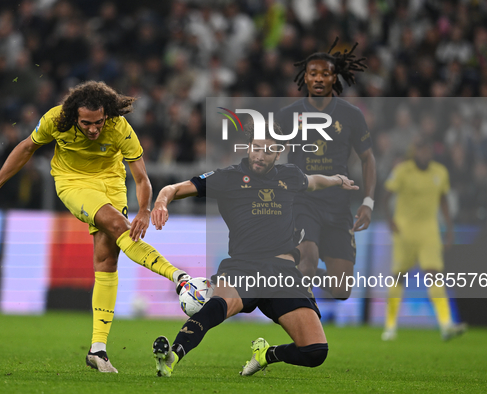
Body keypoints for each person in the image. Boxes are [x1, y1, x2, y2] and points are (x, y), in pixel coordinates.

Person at [0, 81, 190, 373]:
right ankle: (178, 277)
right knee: (117, 225)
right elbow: (27, 147)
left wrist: (144, 209)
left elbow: (141, 177)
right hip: (72, 182)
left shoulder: (119, 127)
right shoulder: (56, 119)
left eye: (98, 122)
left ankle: (97, 350)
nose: (93, 129)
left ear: (105, 115)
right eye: (86, 123)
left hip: (111, 182)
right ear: (74, 116)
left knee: (106, 259)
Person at [149, 125, 358, 377]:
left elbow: (314, 182)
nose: (260, 155)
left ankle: (266, 355)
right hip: (243, 268)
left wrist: (337, 179)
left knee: (315, 352)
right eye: (256, 148)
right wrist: (161, 202)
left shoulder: (290, 176)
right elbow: (173, 188)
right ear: (248, 147)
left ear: (279, 152)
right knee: (216, 307)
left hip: (282, 273)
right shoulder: (228, 177)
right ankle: (172, 356)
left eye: (268, 151)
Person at [276, 38, 377, 299]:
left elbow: (368, 158)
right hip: (302, 202)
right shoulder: (288, 116)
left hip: (338, 207)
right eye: (313, 74)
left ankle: (292, 272)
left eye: (325, 74)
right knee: (307, 262)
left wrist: (368, 201)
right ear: (305, 78)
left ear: (335, 78)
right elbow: (268, 152)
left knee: (342, 290)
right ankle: (306, 328)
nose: (319, 79)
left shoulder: (351, 115)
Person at [381, 136, 466, 341]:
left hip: (429, 230)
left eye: (426, 150)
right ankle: (390, 326)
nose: (423, 154)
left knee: (434, 274)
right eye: (420, 150)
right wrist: (389, 220)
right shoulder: (402, 170)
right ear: (414, 151)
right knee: (398, 276)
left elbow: (443, 200)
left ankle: (446, 325)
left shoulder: (440, 172)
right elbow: (386, 195)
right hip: (405, 230)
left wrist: (449, 228)